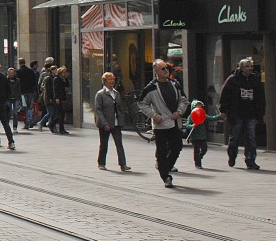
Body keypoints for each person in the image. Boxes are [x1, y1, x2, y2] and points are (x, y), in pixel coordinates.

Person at [137, 59, 188, 187]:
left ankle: (165, 166)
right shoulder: (151, 88)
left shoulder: (174, 84)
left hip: (174, 122)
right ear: (156, 71)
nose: (166, 71)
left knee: (177, 147)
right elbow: (141, 103)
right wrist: (154, 115)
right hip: (161, 125)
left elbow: (184, 100)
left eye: (167, 68)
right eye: (163, 69)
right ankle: (166, 177)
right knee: (161, 150)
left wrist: (179, 111)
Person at [219, 57, 266, 170]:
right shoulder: (233, 79)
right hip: (237, 113)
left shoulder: (255, 80)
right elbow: (224, 95)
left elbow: (261, 98)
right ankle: (232, 155)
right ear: (241, 68)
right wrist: (223, 110)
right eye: (247, 66)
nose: (250, 69)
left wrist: (261, 112)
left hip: (251, 114)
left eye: (251, 66)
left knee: (251, 138)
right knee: (234, 137)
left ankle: (250, 160)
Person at [93, 72, 130, 171]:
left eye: (113, 79)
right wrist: (104, 123)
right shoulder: (100, 94)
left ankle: (123, 164)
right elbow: (98, 110)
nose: (112, 81)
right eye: (109, 79)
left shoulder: (116, 93)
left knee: (119, 143)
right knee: (104, 144)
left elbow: (120, 107)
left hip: (116, 122)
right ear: (104, 81)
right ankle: (101, 163)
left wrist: (122, 119)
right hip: (105, 123)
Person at [185, 99, 221, 169]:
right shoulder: (191, 116)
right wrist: (192, 125)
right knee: (196, 150)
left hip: (203, 135)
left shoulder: (203, 115)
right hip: (195, 136)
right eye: (197, 105)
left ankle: (199, 157)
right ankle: (198, 163)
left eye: (200, 105)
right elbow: (187, 125)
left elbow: (211, 118)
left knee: (204, 149)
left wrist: (219, 116)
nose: (199, 107)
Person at [46, 67, 70, 134]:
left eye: (65, 72)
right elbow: (55, 90)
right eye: (64, 72)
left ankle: (58, 127)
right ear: (61, 73)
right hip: (58, 98)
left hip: (62, 97)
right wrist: (56, 98)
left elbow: (67, 85)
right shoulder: (56, 79)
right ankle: (52, 124)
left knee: (61, 113)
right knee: (60, 113)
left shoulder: (63, 79)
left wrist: (65, 79)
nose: (65, 74)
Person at [17, 59, 37, 129]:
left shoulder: (18, 72)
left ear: (19, 63)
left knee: (25, 106)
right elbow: (34, 81)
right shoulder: (30, 71)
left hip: (22, 92)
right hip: (30, 91)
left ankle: (28, 122)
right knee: (29, 107)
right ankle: (30, 120)